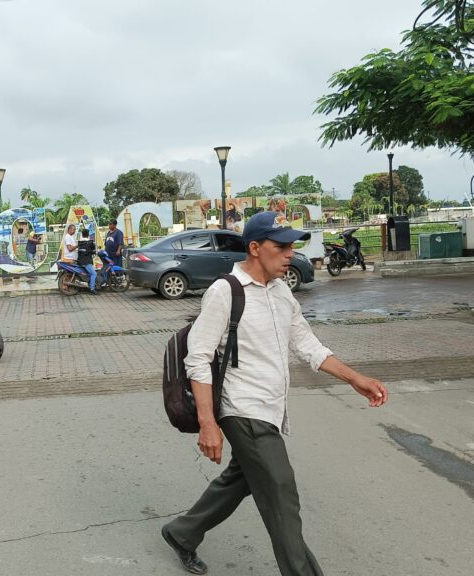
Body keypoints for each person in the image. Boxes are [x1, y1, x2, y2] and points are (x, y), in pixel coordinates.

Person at [161, 211, 388, 576]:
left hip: (270, 408)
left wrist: (354, 378)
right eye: (281, 246)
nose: (290, 253)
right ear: (254, 247)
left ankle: (182, 533)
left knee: (244, 479)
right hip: (243, 409)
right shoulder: (225, 292)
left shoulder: (281, 291)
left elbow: (306, 344)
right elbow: (198, 359)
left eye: (291, 246)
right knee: (282, 496)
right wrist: (208, 424)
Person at [77, 228, 97, 294]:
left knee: (90, 273)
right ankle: (92, 289)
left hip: (80, 261)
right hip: (87, 262)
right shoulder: (90, 242)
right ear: (88, 234)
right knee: (94, 273)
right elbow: (94, 250)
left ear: (82, 234)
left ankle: (90, 284)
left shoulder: (79, 242)